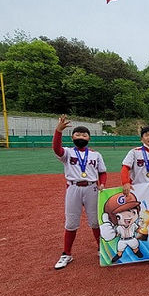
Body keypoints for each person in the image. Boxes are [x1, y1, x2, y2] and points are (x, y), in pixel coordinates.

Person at [52, 115, 107, 270]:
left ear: (89, 138)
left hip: (92, 188)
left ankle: (101, 249)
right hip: (73, 188)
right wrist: (58, 131)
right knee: (71, 223)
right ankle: (66, 253)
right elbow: (56, 149)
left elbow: (102, 172)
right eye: (78, 135)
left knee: (95, 221)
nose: (81, 137)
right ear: (72, 137)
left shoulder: (96, 154)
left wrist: (102, 183)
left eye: (84, 135)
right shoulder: (68, 153)